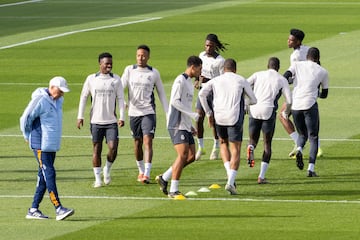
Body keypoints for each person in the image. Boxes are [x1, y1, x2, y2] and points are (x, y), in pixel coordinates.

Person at [199, 58, 257, 195]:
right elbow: (254, 99)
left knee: (223, 143)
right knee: (235, 148)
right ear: (235, 69)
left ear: (223, 69)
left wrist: (208, 113)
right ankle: (231, 181)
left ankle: (229, 173)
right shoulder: (241, 80)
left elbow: (202, 94)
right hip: (234, 117)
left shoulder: (216, 80)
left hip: (219, 117)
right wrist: (245, 102)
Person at [20, 76, 74, 221]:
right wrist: (27, 135)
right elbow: (25, 118)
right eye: (60, 91)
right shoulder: (40, 100)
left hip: (51, 145)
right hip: (40, 145)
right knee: (49, 173)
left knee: (43, 177)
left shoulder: (59, 101)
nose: (62, 94)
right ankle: (58, 208)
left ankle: (33, 209)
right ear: (52, 87)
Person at [155, 56, 202, 199]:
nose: (201, 72)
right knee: (182, 155)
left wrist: (190, 125)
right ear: (193, 67)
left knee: (192, 156)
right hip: (176, 123)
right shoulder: (180, 80)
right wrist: (192, 115)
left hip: (185, 124)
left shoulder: (189, 83)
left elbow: (185, 105)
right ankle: (173, 190)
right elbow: (175, 102)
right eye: (200, 69)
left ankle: (165, 177)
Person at [121, 45, 168, 184]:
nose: (140, 58)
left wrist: (167, 114)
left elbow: (162, 95)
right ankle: (141, 170)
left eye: (143, 55)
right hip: (134, 113)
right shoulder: (129, 70)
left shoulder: (154, 73)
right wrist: (123, 101)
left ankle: (147, 173)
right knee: (137, 142)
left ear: (148, 57)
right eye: (138, 55)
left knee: (148, 140)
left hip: (148, 112)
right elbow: (120, 88)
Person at [77, 52, 125, 188]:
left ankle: (107, 169)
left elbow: (121, 99)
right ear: (100, 64)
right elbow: (83, 97)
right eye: (106, 63)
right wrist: (80, 116)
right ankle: (97, 178)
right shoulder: (91, 79)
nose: (109, 65)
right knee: (96, 149)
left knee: (113, 148)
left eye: (111, 63)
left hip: (111, 121)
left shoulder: (116, 80)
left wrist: (121, 117)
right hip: (96, 121)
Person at [283, 47, 329, 177]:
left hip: (296, 105)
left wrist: (294, 82)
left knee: (302, 134)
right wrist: (316, 92)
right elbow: (324, 94)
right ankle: (311, 169)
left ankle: (299, 149)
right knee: (313, 137)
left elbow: (285, 76)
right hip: (310, 105)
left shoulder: (297, 65)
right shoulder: (323, 71)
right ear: (318, 58)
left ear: (307, 56)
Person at [246, 57, 292, 184]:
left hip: (254, 109)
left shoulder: (257, 74)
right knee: (267, 144)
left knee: (253, 140)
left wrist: (246, 103)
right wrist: (286, 112)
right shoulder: (281, 79)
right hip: (268, 111)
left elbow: (244, 84)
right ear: (278, 67)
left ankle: (250, 147)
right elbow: (289, 100)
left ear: (267, 65)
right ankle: (261, 176)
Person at [279, 28, 314, 158]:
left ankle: (298, 143)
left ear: (298, 41)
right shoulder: (309, 50)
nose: (288, 41)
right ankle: (308, 144)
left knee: (283, 115)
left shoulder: (295, 56)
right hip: (310, 90)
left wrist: (284, 82)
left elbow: (293, 72)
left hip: (298, 90)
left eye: (291, 40)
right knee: (306, 120)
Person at [194, 33, 227, 161]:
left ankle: (216, 146)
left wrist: (208, 79)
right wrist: (197, 80)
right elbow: (198, 72)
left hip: (215, 92)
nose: (208, 48)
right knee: (198, 118)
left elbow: (222, 79)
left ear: (215, 46)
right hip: (203, 92)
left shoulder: (220, 61)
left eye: (211, 46)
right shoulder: (201, 55)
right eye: (207, 45)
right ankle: (201, 147)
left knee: (213, 121)